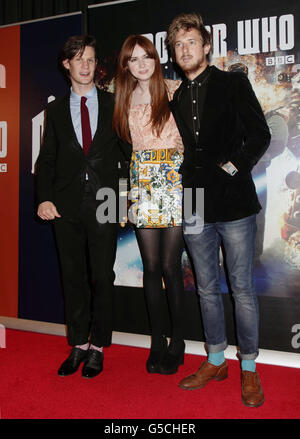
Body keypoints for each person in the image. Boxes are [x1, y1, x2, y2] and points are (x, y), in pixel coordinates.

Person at [166, 13, 271, 406]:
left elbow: (260, 134)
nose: (185, 50)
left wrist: (232, 167)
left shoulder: (232, 82)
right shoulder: (176, 97)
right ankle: (215, 359)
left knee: (241, 289)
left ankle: (248, 369)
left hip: (235, 203)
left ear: (206, 46)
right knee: (207, 288)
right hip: (194, 204)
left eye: (191, 42)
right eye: (178, 45)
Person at [36, 35, 128, 378]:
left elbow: (126, 155)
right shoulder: (56, 109)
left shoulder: (113, 102)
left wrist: (123, 199)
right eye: (79, 60)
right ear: (67, 65)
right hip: (65, 204)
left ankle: (98, 347)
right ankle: (78, 344)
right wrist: (43, 197)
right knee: (72, 276)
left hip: (106, 201)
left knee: (102, 276)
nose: (86, 66)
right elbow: (47, 159)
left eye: (90, 59)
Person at [113, 34, 185, 374]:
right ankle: (157, 340)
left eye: (147, 57)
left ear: (156, 59)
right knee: (151, 268)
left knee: (172, 268)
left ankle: (179, 341)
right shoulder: (124, 99)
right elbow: (123, 153)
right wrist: (125, 196)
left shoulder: (174, 90)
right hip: (141, 181)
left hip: (174, 180)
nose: (141, 64)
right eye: (134, 59)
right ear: (126, 65)